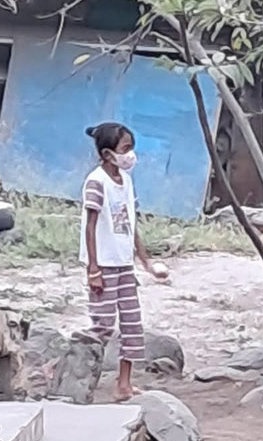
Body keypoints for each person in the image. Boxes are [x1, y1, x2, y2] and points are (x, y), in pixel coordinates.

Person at [78, 122, 167, 402]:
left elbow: (131, 223)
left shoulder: (126, 182)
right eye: (125, 149)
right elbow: (90, 227)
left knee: (131, 324)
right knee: (102, 326)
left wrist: (146, 262)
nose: (131, 155)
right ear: (107, 154)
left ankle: (124, 384)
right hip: (103, 264)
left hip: (123, 263)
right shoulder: (96, 182)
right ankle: (73, 373)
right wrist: (93, 269)